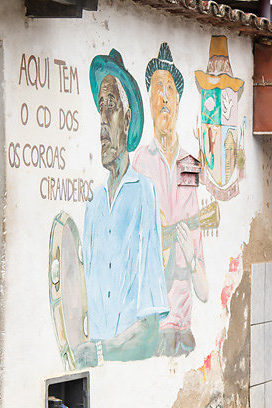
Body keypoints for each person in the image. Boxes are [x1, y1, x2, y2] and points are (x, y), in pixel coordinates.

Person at [75, 49, 169, 367]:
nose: (103, 121)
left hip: (126, 368)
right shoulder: (94, 202)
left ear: (126, 121)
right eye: (100, 108)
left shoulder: (144, 193)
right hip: (92, 365)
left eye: (111, 106)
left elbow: (149, 328)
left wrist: (103, 351)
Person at [133, 42, 208, 358]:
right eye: (156, 90)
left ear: (178, 101)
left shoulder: (189, 165)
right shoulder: (139, 164)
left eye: (170, 90)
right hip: (149, 329)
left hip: (181, 330)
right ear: (149, 102)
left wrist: (190, 257)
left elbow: (204, 290)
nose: (163, 97)